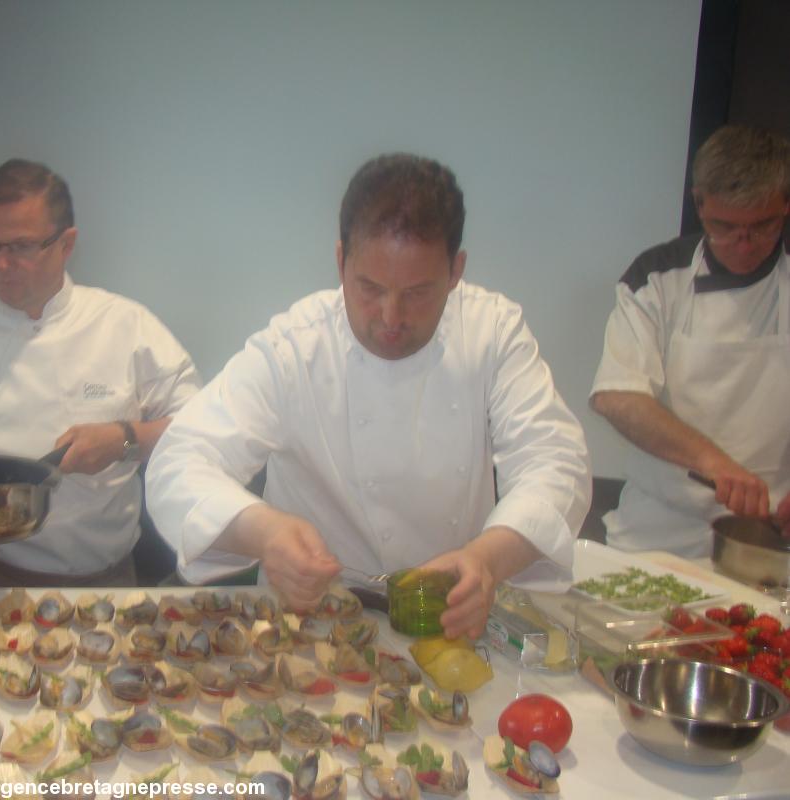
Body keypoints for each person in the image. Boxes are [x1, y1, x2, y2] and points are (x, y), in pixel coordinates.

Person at [146, 153, 591, 638]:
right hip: (312, 620)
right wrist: (265, 533)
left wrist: (486, 559)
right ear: (340, 262)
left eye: (418, 293)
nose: (391, 317)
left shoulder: (492, 333)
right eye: (370, 288)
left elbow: (555, 462)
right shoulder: (295, 346)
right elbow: (179, 460)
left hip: (455, 618)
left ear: (456, 271)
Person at [0, 159, 201, 586]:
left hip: (105, 582)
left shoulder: (126, 327)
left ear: (66, 244)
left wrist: (124, 440)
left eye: (21, 247)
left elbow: (199, 430)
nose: (0, 266)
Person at [591, 125, 790, 555]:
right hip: (657, 534)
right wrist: (714, 463)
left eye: (763, 226)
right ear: (699, 203)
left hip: (769, 540)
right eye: (725, 226)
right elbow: (618, 397)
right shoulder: (657, 278)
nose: (743, 243)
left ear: (786, 205)